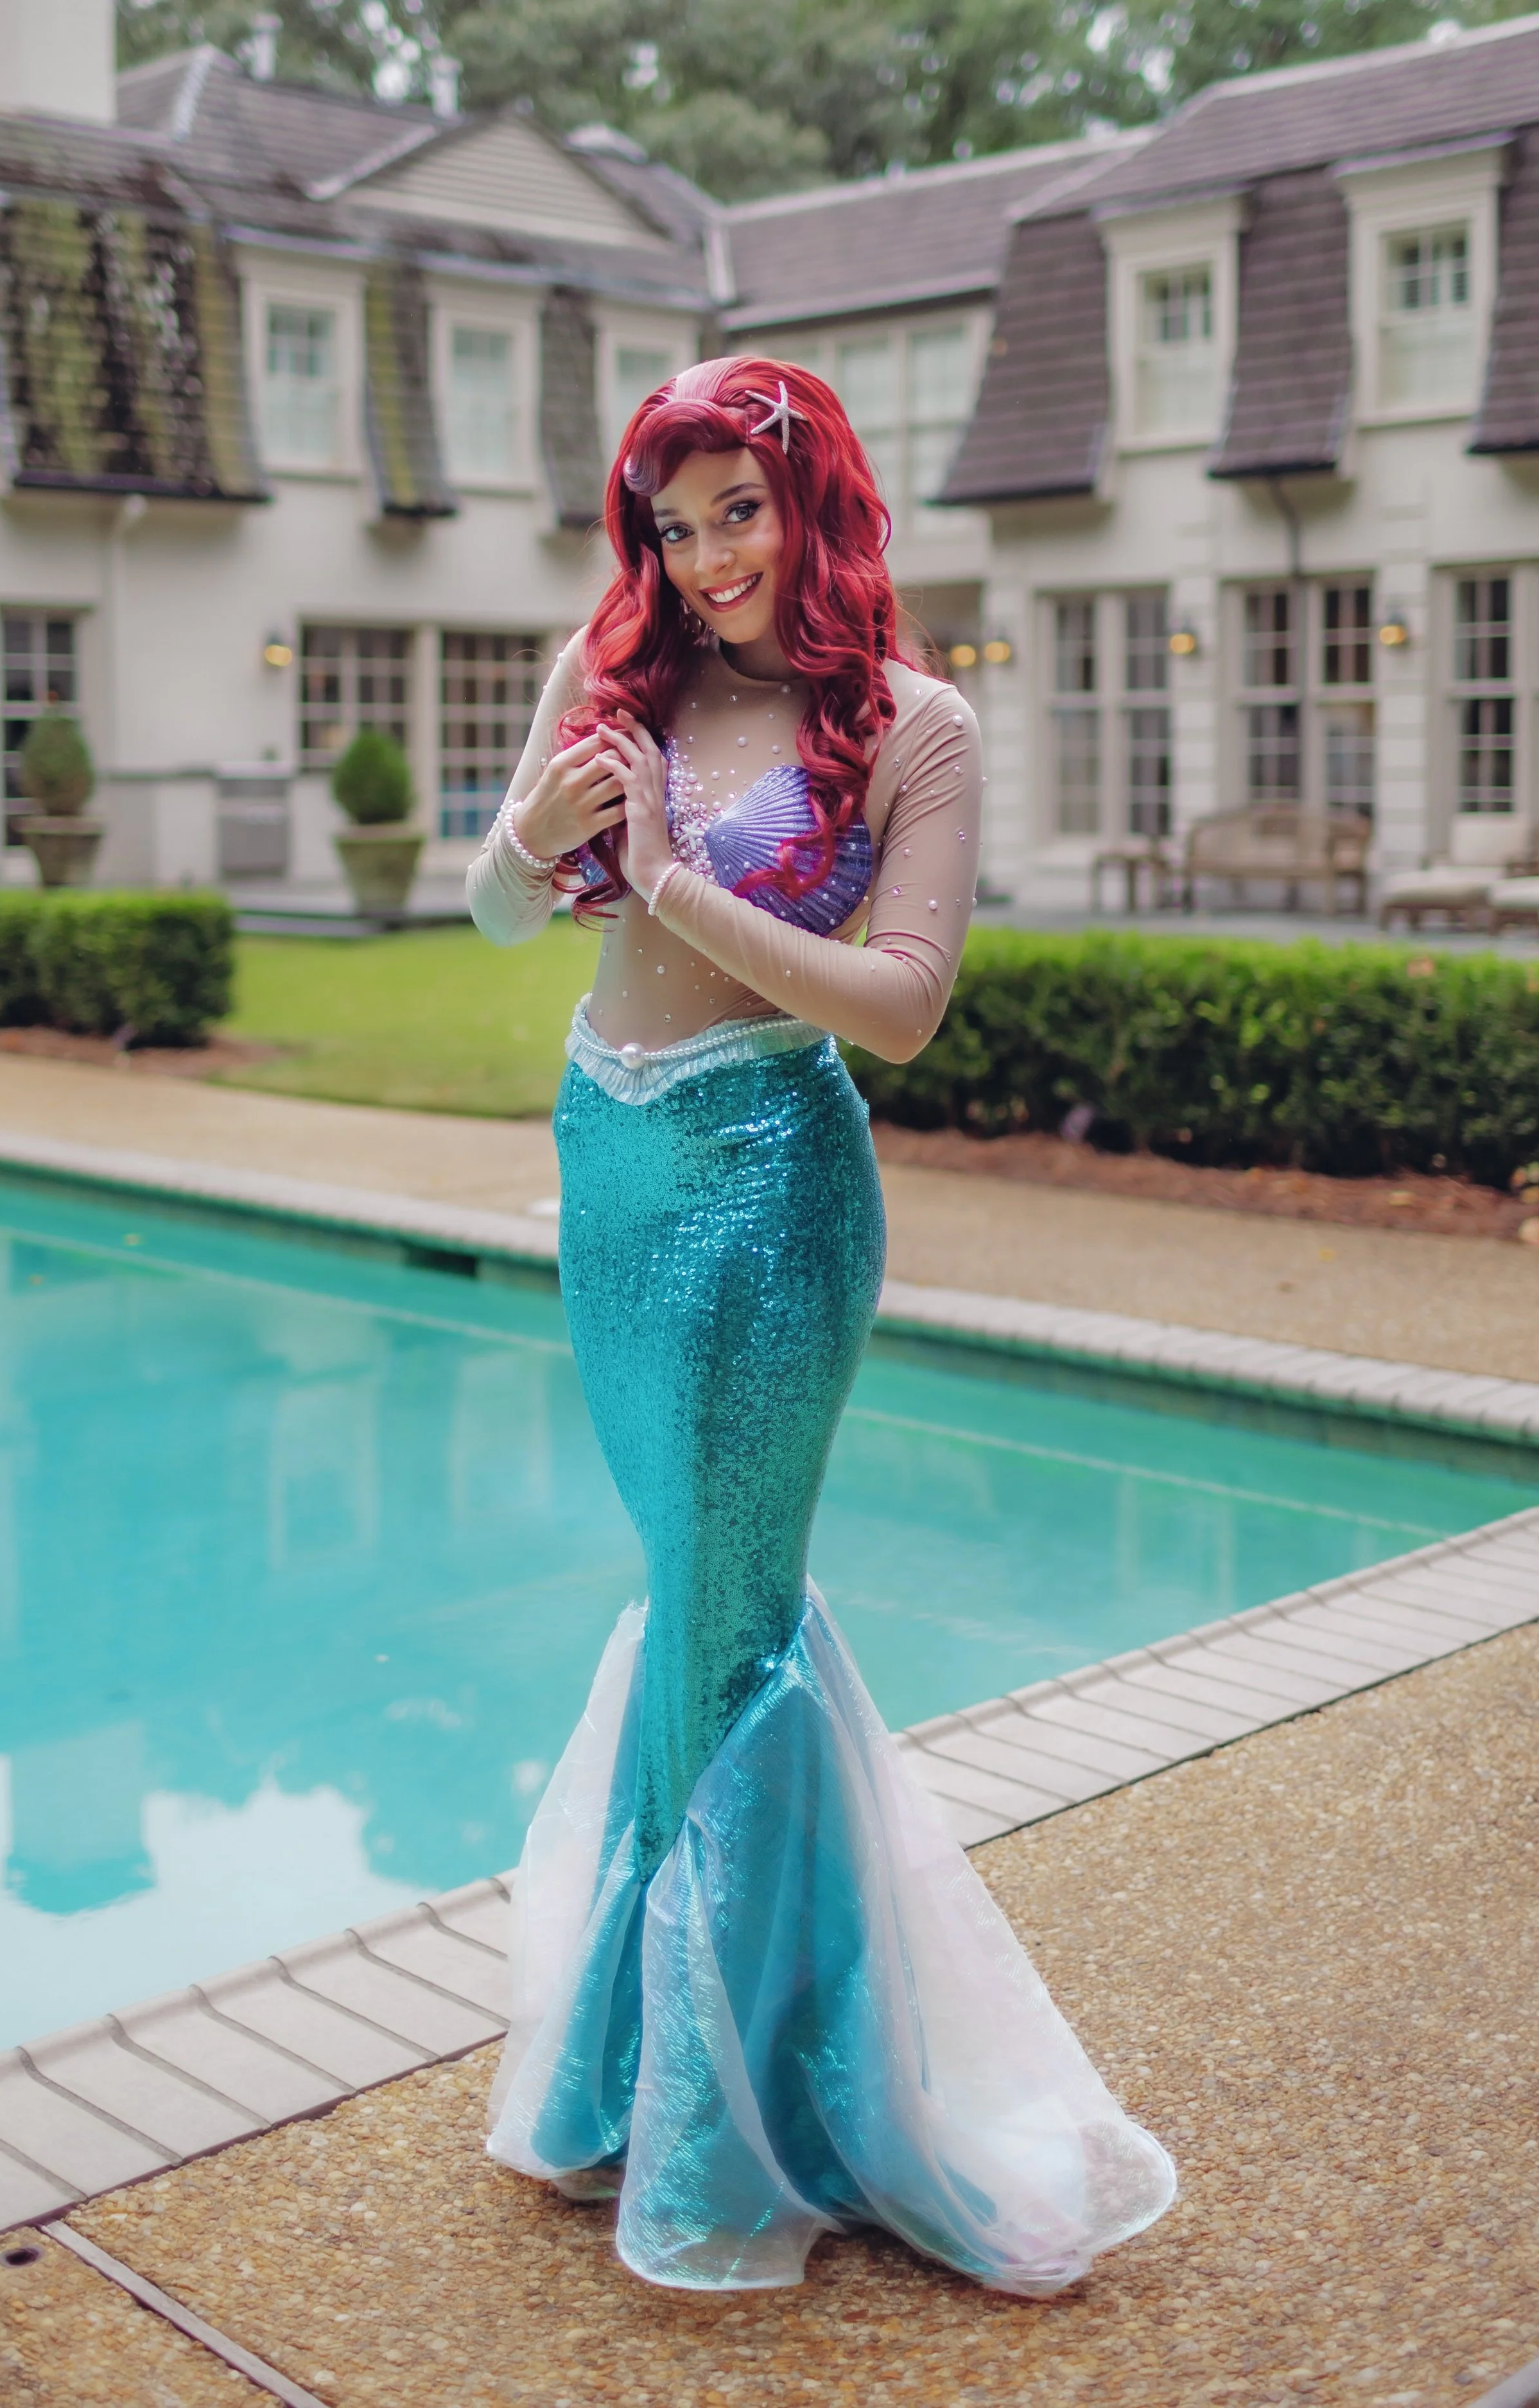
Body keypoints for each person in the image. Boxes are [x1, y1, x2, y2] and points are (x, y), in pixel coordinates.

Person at [465, 356, 1176, 2294]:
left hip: (769, 1192)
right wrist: (535, 831)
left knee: (726, 1607)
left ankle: (753, 2101)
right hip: (604, 1174)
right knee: (697, 1596)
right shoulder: (612, 674)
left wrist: (676, 878)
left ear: (813, 502)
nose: (702, 561)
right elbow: (493, 923)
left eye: (737, 515)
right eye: (672, 524)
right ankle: (655, 2058)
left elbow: (901, 1005)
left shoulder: (912, 725)